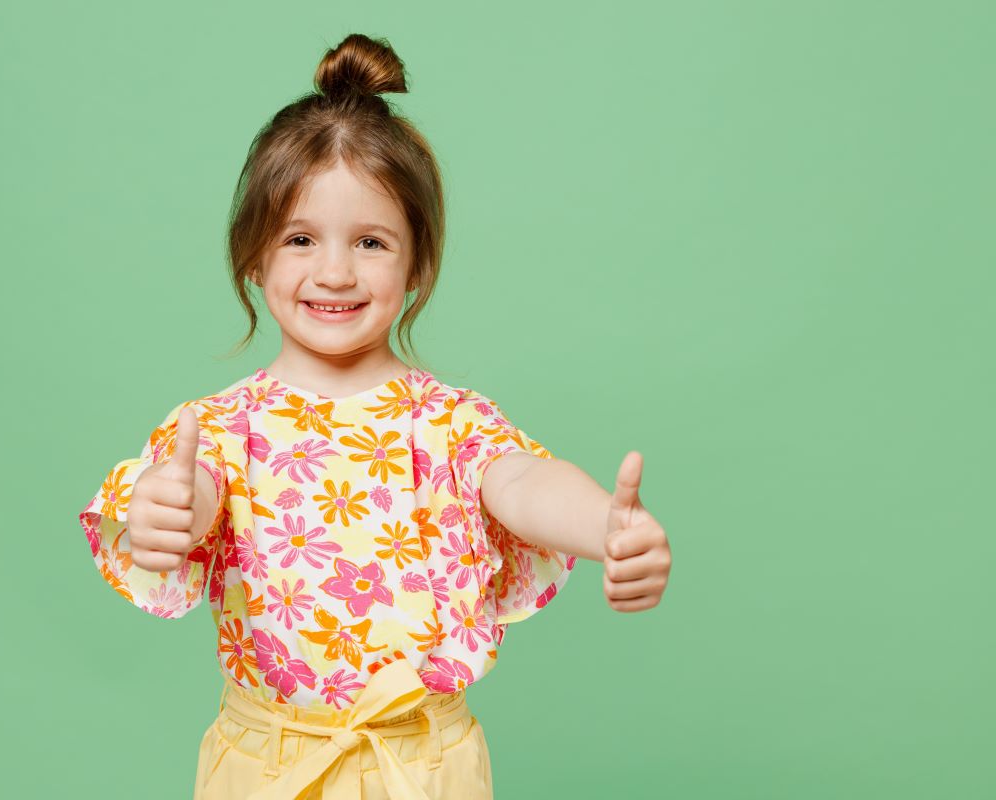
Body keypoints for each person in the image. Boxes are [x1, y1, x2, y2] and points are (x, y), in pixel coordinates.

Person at [77, 32, 672, 800]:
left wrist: (606, 527)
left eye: (370, 242)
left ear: (417, 262)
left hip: (424, 770)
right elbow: (191, 492)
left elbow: (523, 482)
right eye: (300, 239)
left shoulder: (450, 422)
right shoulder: (223, 428)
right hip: (266, 769)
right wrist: (167, 509)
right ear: (254, 255)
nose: (334, 272)